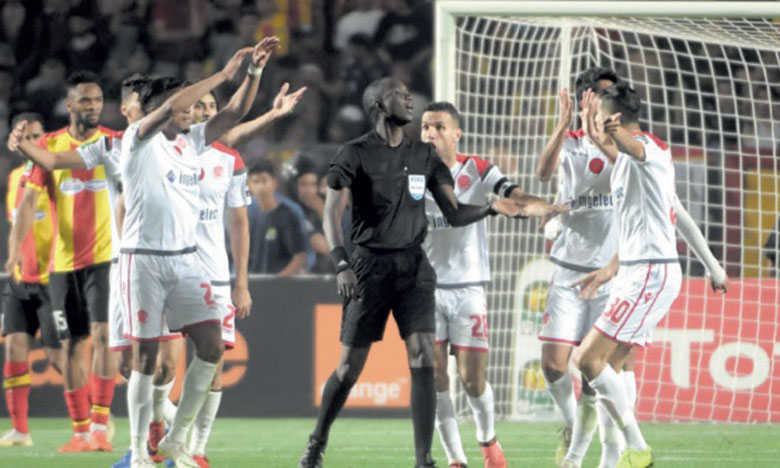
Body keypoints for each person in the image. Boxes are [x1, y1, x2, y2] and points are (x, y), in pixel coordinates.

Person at [298, 77, 524, 468]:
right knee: (349, 368)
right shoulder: (354, 153)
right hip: (369, 267)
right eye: (400, 95)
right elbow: (331, 211)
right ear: (379, 105)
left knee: (423, 358)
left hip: (415, 269)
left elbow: (453, 212)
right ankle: (317, 442)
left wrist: (489, 208)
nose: (408, 99)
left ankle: (425, 460)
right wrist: (340, 262)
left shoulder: (424, 155)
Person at [118, 39, 275, 468]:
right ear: (161, 107)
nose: (190, 110)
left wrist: (253, 73)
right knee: (146, 360)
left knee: (211, 345)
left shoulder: (192, 144)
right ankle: (138, 454)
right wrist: (223, 74)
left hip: (186, 261)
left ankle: (177, 438)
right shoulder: (138, 140)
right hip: (143, 260)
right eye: (181, 103)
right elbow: (170, 110)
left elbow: (234, 114)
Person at [571, 83, 727, 468]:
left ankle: (635, 446)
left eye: (598, 117)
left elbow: (631, 144)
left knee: (587, 361)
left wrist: (610, 131)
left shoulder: (650, 150)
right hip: (638, 272)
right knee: (619, 364)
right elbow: (680, 217)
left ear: (616, 119)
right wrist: (713, 265)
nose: (593, 124)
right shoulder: (631, 163)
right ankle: (613, 459)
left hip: (650, 272)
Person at [420, 101, 566, 468]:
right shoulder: (409, 174)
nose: (430, 134)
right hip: (424, 289)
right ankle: (456, 459)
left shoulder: (479, 169)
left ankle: (489, 445)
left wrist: (540, 207)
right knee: (435, 379)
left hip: (469, 289)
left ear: (456, 133)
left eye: (438, 127)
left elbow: (515, 195)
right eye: (424, 128)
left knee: (472, 381)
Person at [7, 70, 118, 453]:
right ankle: (81, 432)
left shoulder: (114, 143)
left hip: (107, 258)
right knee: (74, 345)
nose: (93, 107)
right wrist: (13, 252)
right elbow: (27, 204)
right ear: (69, 105)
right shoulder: (49, 145)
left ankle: (102, 425)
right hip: (63, 263)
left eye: (98, 100)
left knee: (105, 337)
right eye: (85, 100)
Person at [534, 67, 623, 468]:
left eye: (609, 95)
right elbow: (543, 173)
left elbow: (627, 171)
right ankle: (571, 423)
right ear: (585, 97)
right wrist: (563, 125)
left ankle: (588, 453)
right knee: (552, 365)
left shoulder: (626, 143)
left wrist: (598, 135)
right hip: (568, 270)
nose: (604, 101)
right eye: (598, 94)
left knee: (593, 372)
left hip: (608, 275)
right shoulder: (569, 142)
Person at [0, 113, 63, 448]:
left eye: (40, 135)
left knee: (58, 359)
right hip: (20, 278)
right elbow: (17, 224)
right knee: (14, 347)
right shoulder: (13, 178)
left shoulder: (54, 173)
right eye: (28, 135)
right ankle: (21, 431)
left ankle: (95, 417)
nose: (35, 141)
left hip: (52, 278)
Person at [247, 159, 307, 276]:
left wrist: (277, 281)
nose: (260, 186)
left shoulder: (288, 215)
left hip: (279, 286)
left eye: (264, 181)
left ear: (275, 182)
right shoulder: (248, 215)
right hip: (253, 283)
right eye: (255, 182)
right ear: (249, 185)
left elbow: (299, 256)